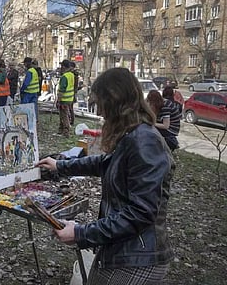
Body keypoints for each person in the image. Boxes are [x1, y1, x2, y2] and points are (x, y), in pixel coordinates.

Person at [36, 67, 173, 285]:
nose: (99, 112)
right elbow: (104, 162)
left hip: (138, 258)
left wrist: (81, 234)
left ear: (116, 101)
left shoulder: (145, 141)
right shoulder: (133, 134)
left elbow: (140, 213)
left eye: (101, 104)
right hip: (124, 249)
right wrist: (60, 166)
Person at [147, 87, 181, 151]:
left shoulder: (165, 106)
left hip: (171, 129)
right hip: (167, 127)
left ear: (154, 102)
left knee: (150, 129)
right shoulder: (161, 103)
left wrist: (151, 123)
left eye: (150, 102)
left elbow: (165, 126)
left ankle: (171, 142)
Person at [56, 60, 75, 136]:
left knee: (64, 115)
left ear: (63, 67)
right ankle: (61, 129)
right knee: (64, 114)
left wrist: (59, 100)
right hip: (69, 99)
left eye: (61, 66)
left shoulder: (64, 77)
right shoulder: (71, 75)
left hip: (64, 99)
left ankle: (66, 131)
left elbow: (62, 90)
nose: (60, 68)